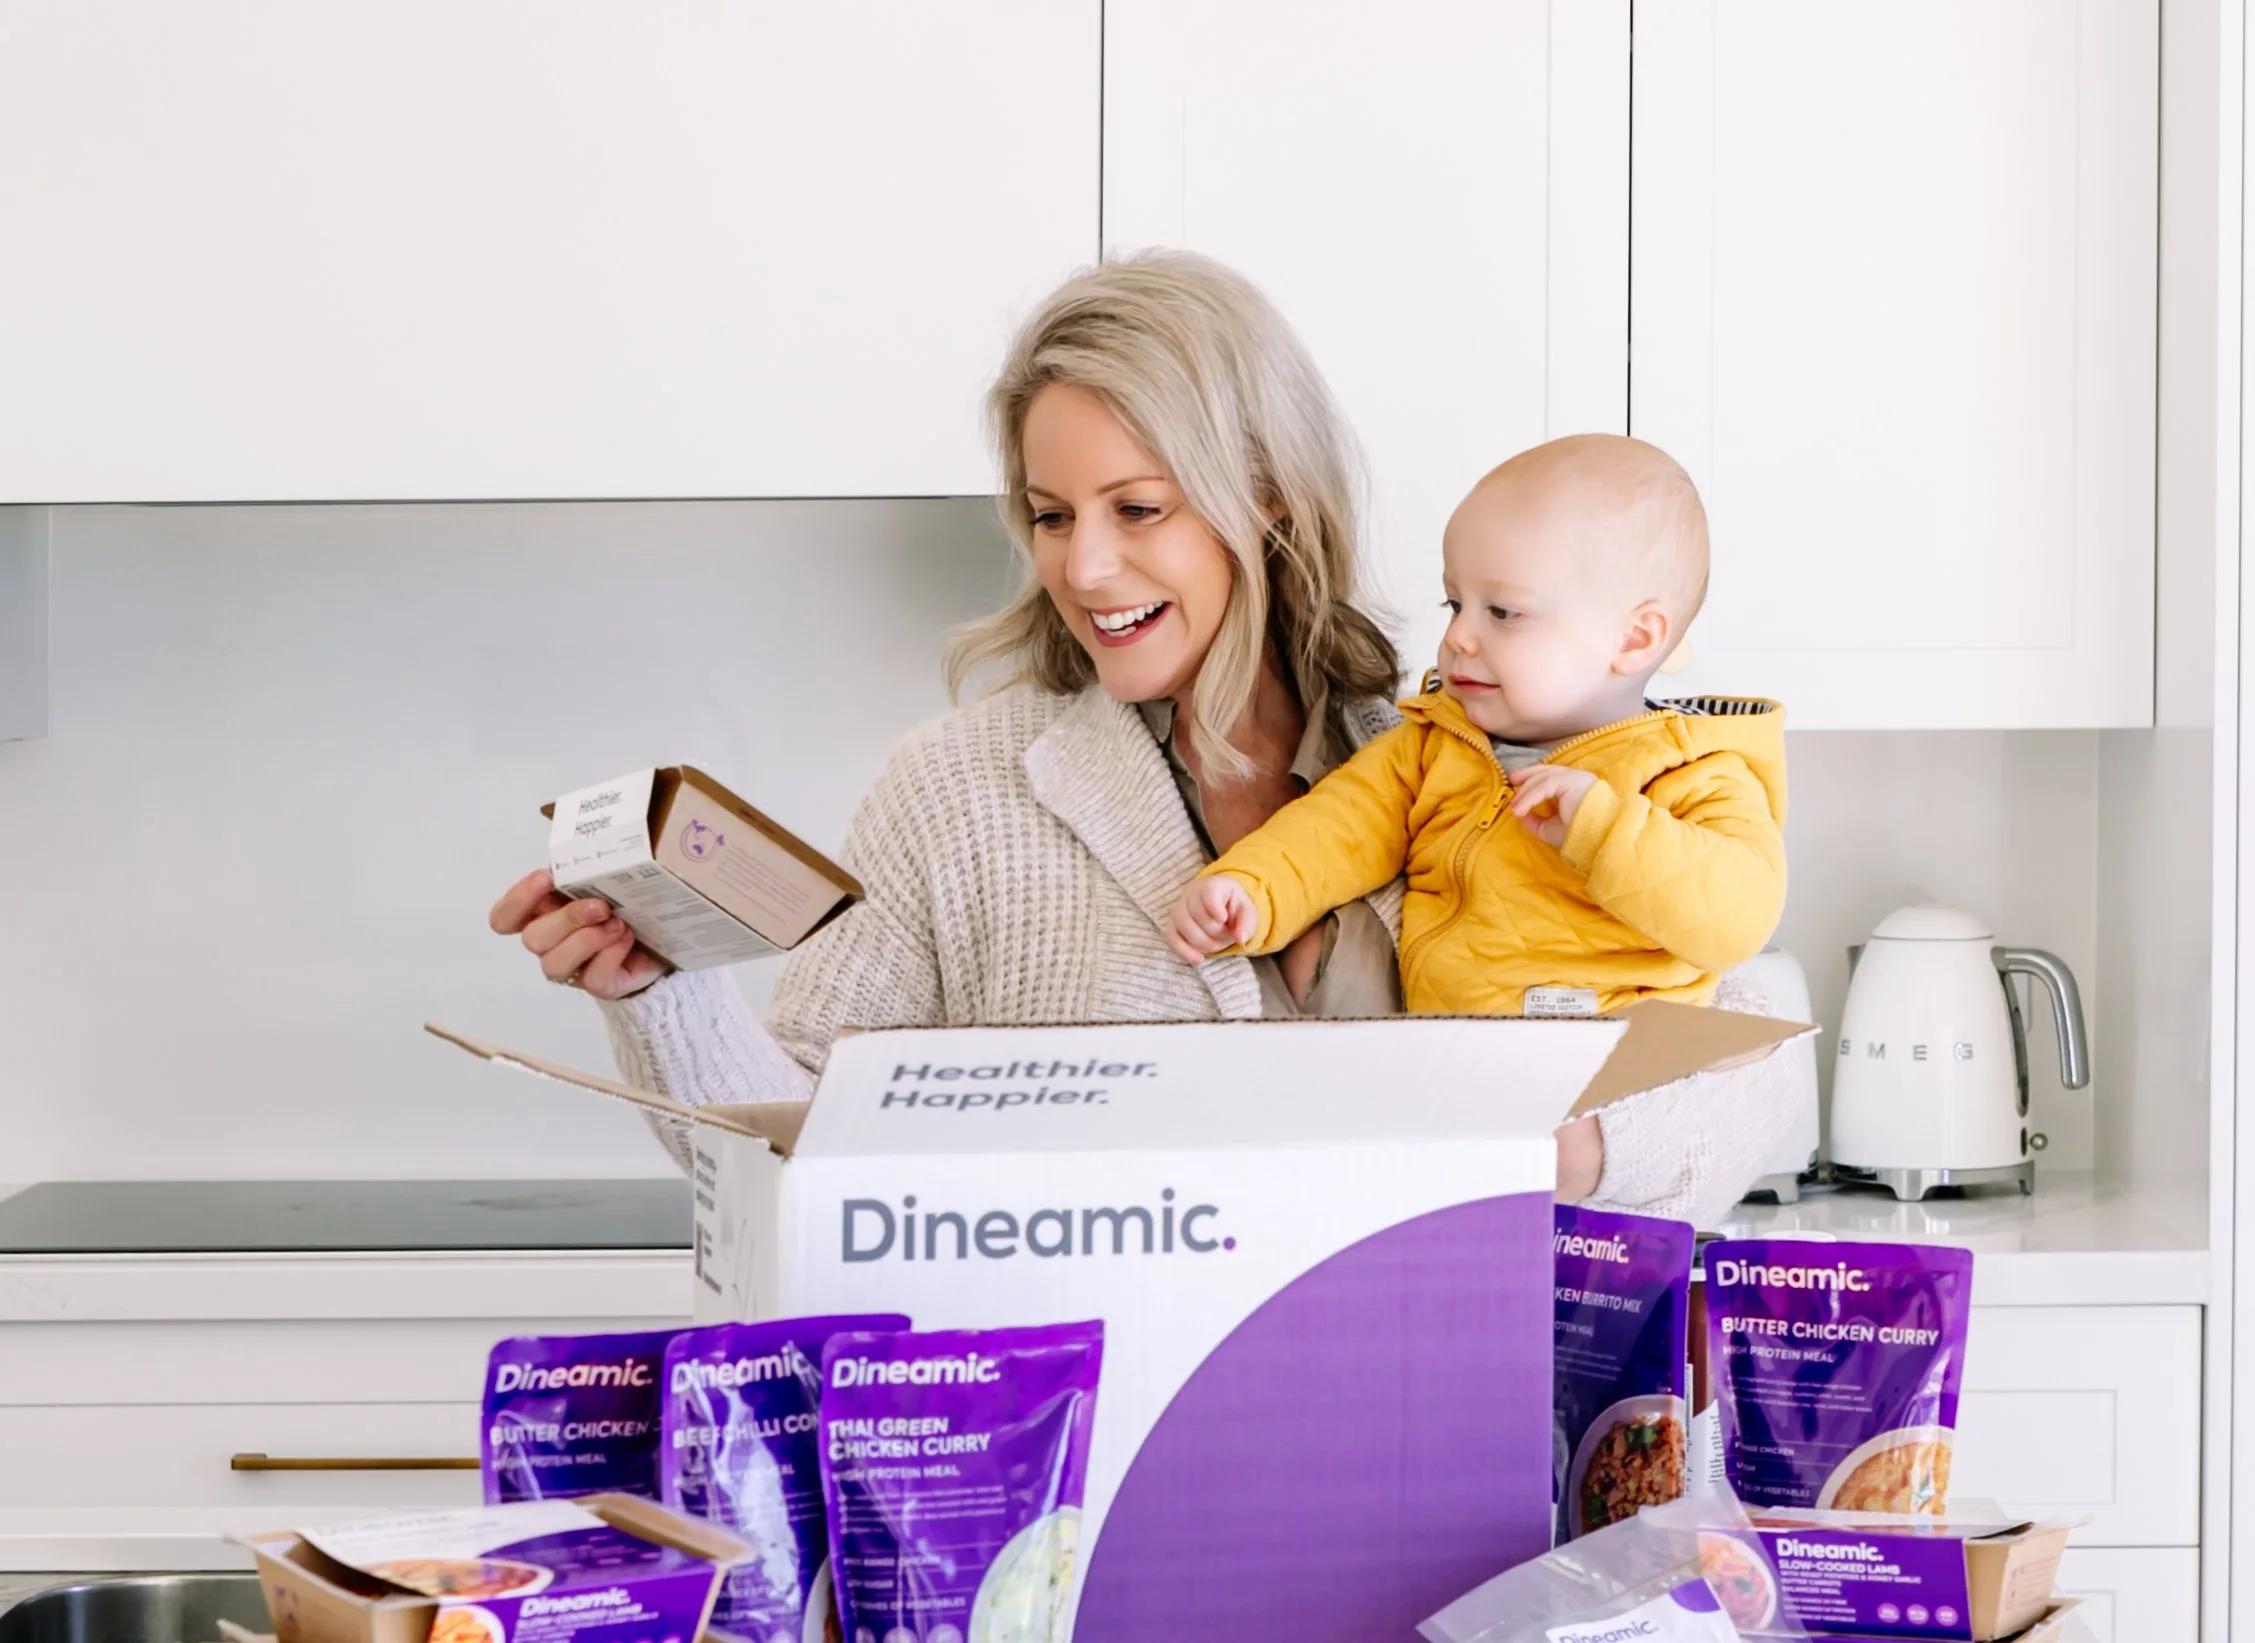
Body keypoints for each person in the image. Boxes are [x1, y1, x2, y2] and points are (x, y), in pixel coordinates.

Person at [488, 251, 1804, 1218]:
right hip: (1081, 1474)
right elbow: (794, 1136)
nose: (1087, 565)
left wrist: (1563, 1158)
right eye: (1052, 513)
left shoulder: (1460, 742)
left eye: (1137, 506)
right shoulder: (958, 789)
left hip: (1426, 1420)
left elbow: (1752, 1044)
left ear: (1265, 501)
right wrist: (653, 989)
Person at [1168, 434, 1785, 1017]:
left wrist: (1603, 828)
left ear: (1632, 638)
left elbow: (1739, 917)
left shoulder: (1695, 769)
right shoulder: (1431, 747)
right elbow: (1334, 830)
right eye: (1454, 604)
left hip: (1619, 1050)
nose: (1459, 637)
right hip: (1461, 1058)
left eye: (1503, 612)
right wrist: (1252, 889)